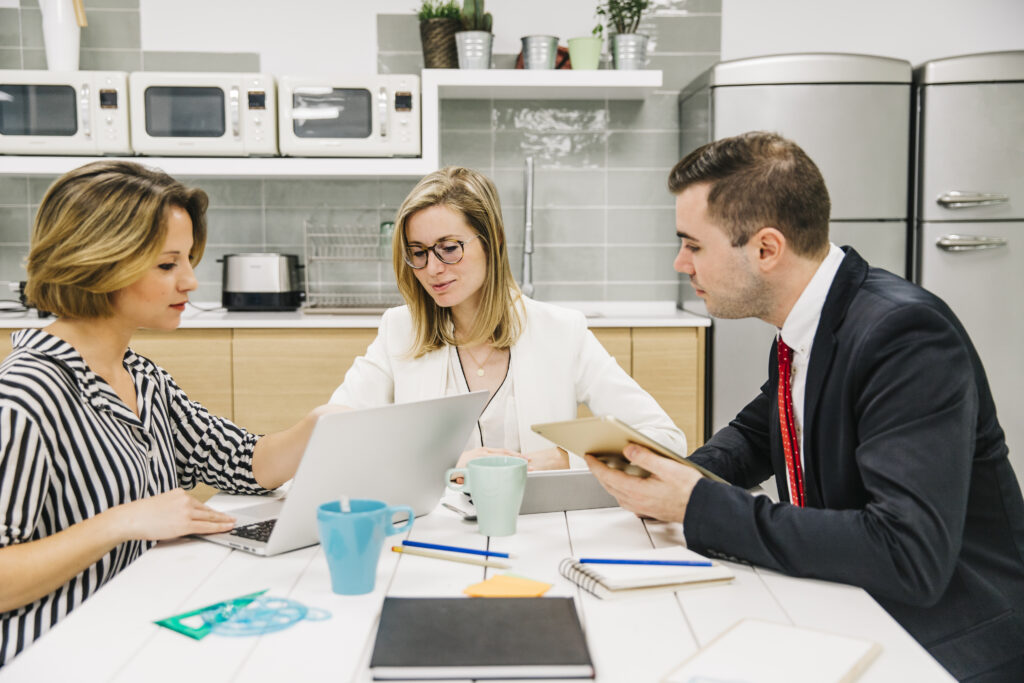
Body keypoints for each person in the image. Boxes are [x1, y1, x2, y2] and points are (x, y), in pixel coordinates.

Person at [587, 132, 1024, 681]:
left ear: (766, 249)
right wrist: (663, 474)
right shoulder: (810, 324)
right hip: (857, 601)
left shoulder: (905, 336)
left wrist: (695, 505)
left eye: (693, 245)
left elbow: (907, 553)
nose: (681, 263)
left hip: (955, 640)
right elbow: (759, 434)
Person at [0, 161, 338, 666]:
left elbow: (243, 461)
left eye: (188, 261)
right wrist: (121, 522)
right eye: (167, 265)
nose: (192, 282)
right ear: (97, 263)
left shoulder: (140, 376)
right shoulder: (25, 394)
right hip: (57, 652)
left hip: (133, 622)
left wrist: (318, 427)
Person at [330, 166, 685, 470]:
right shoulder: (400, 331)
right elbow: (335, 439)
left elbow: (665, 440)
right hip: (433, 529)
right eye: (418, 253)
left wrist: (565, 459)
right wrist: (447, 462)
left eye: (449, 248)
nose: (433, 269)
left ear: (494, 241)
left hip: (541, 530)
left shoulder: (561, 332)